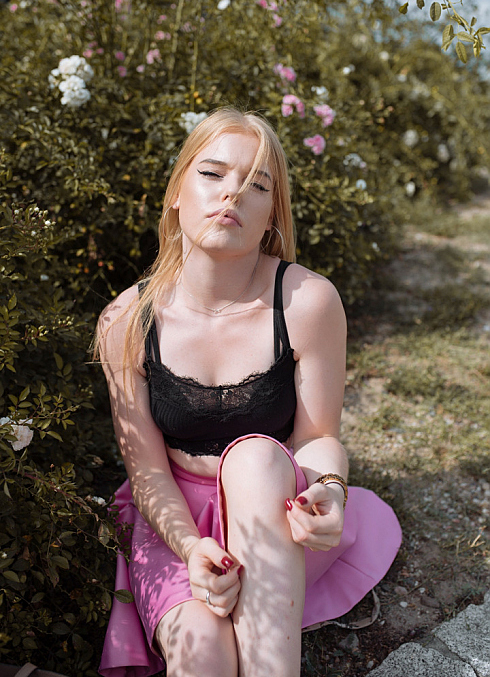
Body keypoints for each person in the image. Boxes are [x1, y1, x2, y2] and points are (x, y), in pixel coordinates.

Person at [97, 107, 401, 677]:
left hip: (272, 506)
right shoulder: (126, 320)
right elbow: (148, 474)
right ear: (176, 194)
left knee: (256, 458)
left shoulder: (307, 302)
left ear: (271, 216)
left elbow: (317, 436)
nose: (232, 194)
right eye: (212, 173)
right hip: (176, 522)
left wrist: (330, 489)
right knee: (203, 650)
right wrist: (192, 549)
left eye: (257, 185)